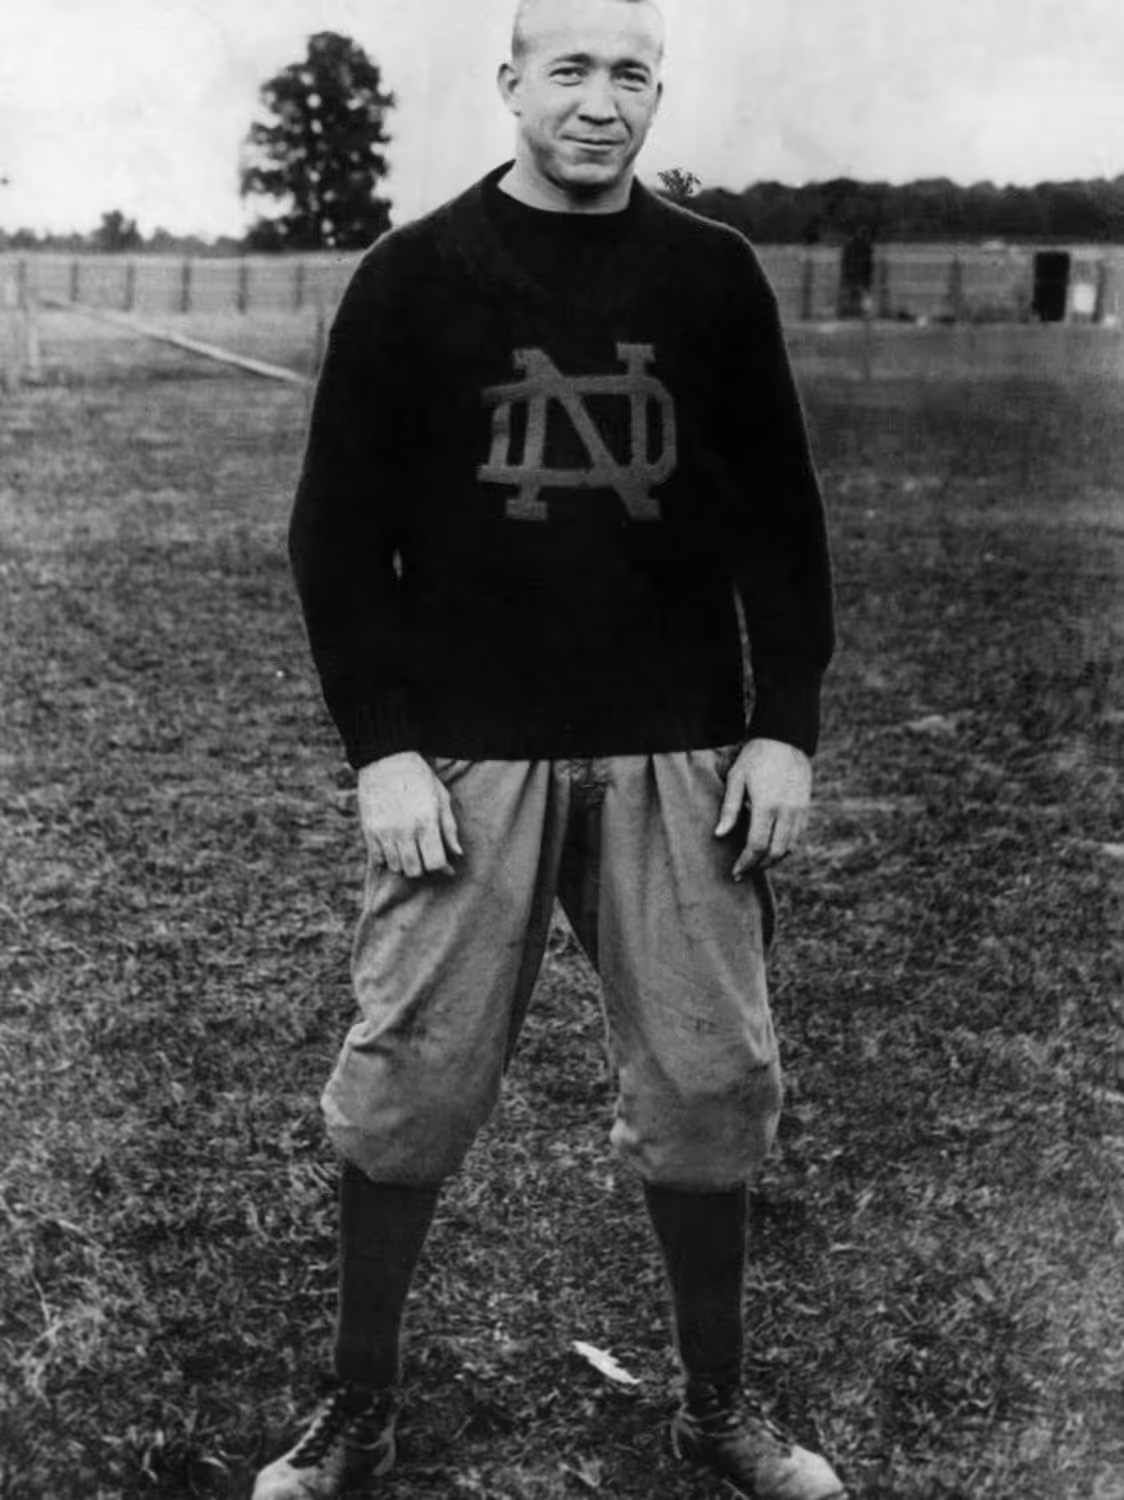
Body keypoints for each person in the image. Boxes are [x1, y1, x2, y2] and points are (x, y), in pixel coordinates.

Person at [253, 1, 843, 1496]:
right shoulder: (413, 278)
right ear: (510, 81)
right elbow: (335, 538)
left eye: (629, 73)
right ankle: (358, 1407)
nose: (599, 101)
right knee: (405, 1086)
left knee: (713, 1091)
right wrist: (382, 752)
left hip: (682, 751)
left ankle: (714, 1409)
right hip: (467, 759)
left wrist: (783, 731)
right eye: (568, 69)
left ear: (660, 93)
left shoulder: (713, 279)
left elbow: (782, 521)